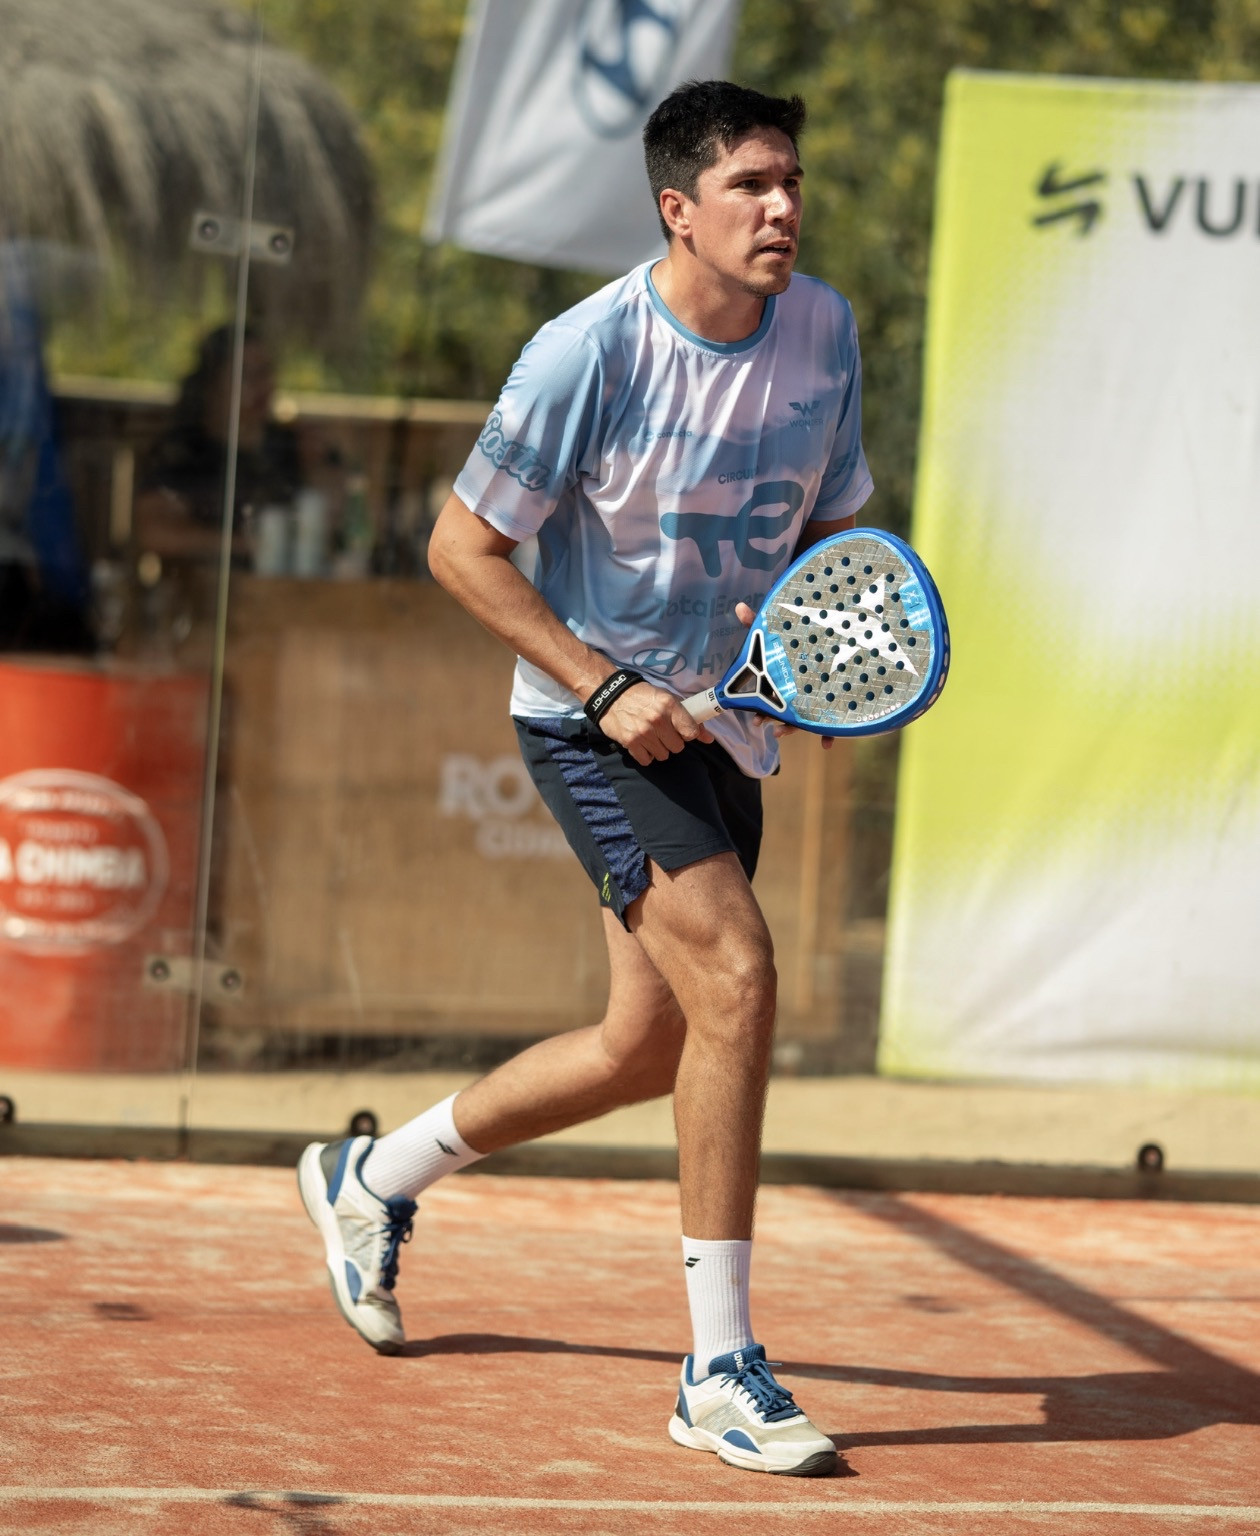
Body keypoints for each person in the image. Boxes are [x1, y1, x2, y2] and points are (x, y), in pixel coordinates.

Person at [298, 79, 873, 1479]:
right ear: (678, 208)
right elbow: (461, 550)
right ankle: (719, 1369)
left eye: (791, 182)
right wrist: (607, 689)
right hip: (593, 723)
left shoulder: (825, 329)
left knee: (645, 1048)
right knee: (737, 974)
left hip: (724, 727)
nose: (782, 208)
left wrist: (821, 657)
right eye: (750, 186)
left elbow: (835, 527)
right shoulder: (584, 354)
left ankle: (373, 1178)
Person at [133, 324, 301, 565]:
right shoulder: (183, 451)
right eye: (246, 375)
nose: (262, 386)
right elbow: (154, 533)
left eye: (266, 372)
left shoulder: (288, 446)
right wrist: (246, 545)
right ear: (211, 383)